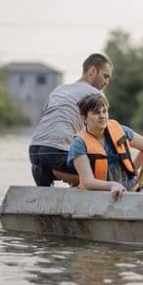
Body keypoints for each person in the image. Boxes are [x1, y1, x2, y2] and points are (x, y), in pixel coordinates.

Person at [29, 53, 113, 187]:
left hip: (34, 149)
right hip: (56, 151)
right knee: (101, 170)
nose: (107, 82)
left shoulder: (59, 89)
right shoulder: (96, 95)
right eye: (105, 76)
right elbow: (100, 133)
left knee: (80, 158)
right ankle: (52, 173)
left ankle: (44, 171)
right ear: (92, 71)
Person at [69, 93, 143, 200]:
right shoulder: (78, 143)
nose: (102, 116)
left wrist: (133, 169)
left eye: (104, 111)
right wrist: (113, 185)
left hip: (128, 192)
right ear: (84, 118)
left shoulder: (121, 131)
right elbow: (88, 181)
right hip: (96, 197)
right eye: (96, 113)